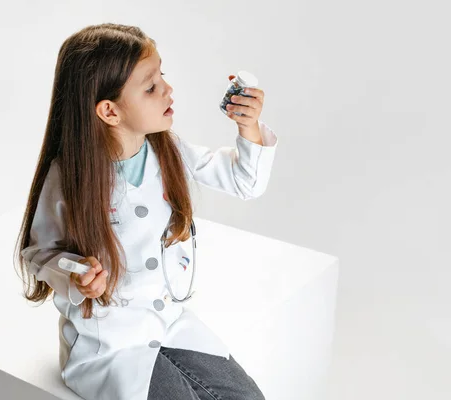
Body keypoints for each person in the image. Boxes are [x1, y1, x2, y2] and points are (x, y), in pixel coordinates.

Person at [14, 22, 278, 400]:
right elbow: (39, 253)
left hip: (169, 323)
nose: (168, 90)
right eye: (151, 86)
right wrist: (76, 275)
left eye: (163, 77)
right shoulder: (69, 175)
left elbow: (244, 182)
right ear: (109, 111)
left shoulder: (170, 151)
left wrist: (248, 126)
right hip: (108, 343)